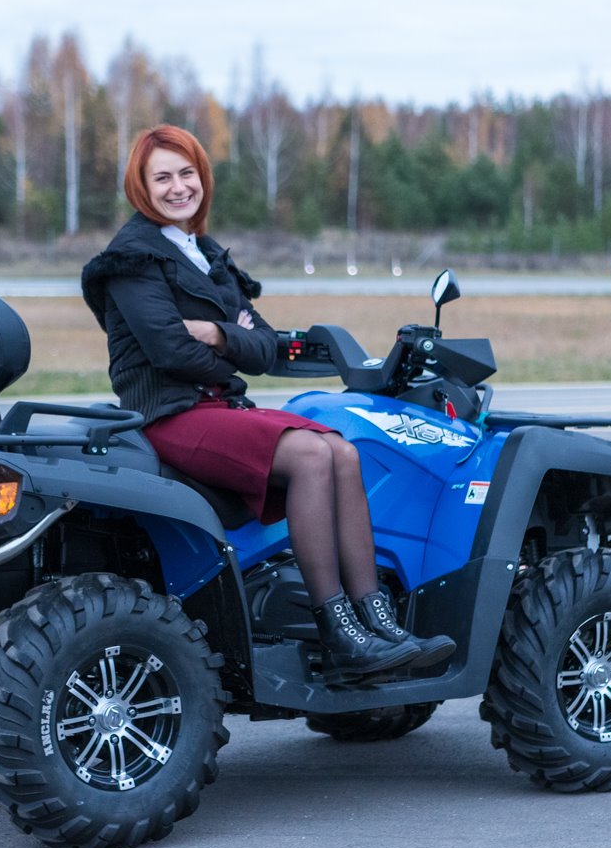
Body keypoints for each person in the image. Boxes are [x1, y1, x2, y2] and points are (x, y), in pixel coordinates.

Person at [81, 124, 454, 680]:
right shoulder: (132, 259)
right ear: (141, 186)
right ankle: (339, 632)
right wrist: (231, 343)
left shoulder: (207, 255)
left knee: (342, 451)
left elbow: (266, 348)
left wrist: (217, 334)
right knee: (312, 454)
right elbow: (170, 352)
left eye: (187, 173)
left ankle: (377, 620)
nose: (178, 187)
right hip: (171, 414)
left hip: (220, 410)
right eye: (162, 178)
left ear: (202, 178)